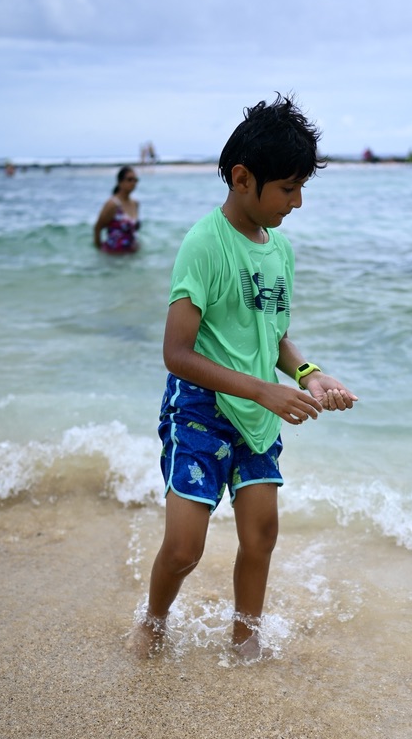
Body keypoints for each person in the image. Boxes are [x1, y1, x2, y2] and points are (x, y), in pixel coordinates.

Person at [131, 94, 358, 660]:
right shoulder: (204, 245)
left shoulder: (280, 249)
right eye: (287, 188)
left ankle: (246, 639)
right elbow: (176, 352)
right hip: (201, 410)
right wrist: (263, 388)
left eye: (301, 187)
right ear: (241, 178)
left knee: (261, 537)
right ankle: (153, 622)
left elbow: (270, 336)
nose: (298, 202)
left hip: (260, 415)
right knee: (184, 548)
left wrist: (309, 374)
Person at [93, 167, 140, 253]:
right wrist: (99, 250)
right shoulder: (112, 204)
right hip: (113, 255)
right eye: (129, 180)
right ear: (120, 182)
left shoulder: (135, 203)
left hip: (131, 253)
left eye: (135, 180)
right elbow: (97, 228)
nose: (133, 183)